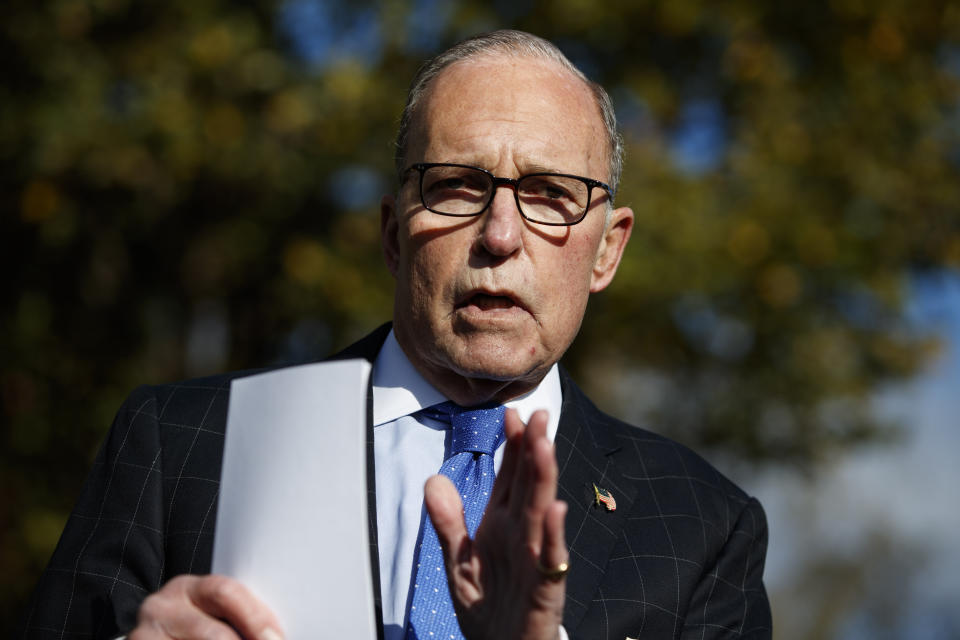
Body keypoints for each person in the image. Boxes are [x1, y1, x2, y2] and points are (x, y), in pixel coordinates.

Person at [20, 30, 771, 640]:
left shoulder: (703, 529)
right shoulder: (179, 443)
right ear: (392, 233)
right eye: (457, 185)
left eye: (550, 196)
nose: (501, 234)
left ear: (607, 248)